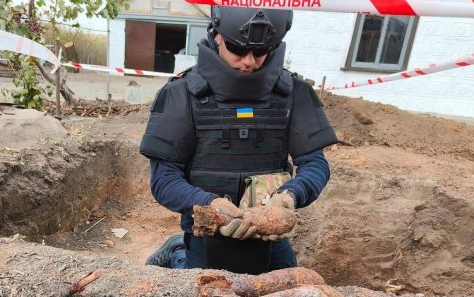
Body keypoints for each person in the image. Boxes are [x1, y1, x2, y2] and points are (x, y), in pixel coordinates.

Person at [140, 6, 337, 274]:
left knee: (287, 293)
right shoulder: (182, 93)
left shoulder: (294, 93)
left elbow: (315, 163)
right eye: (237, 48)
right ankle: (178, 251)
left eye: (260, 51)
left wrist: (291, 195)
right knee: (205, 296)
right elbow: (164, 179)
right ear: (217, 35)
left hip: (269, 236)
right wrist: (210, 204)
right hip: (207, 234)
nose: (248, 61)